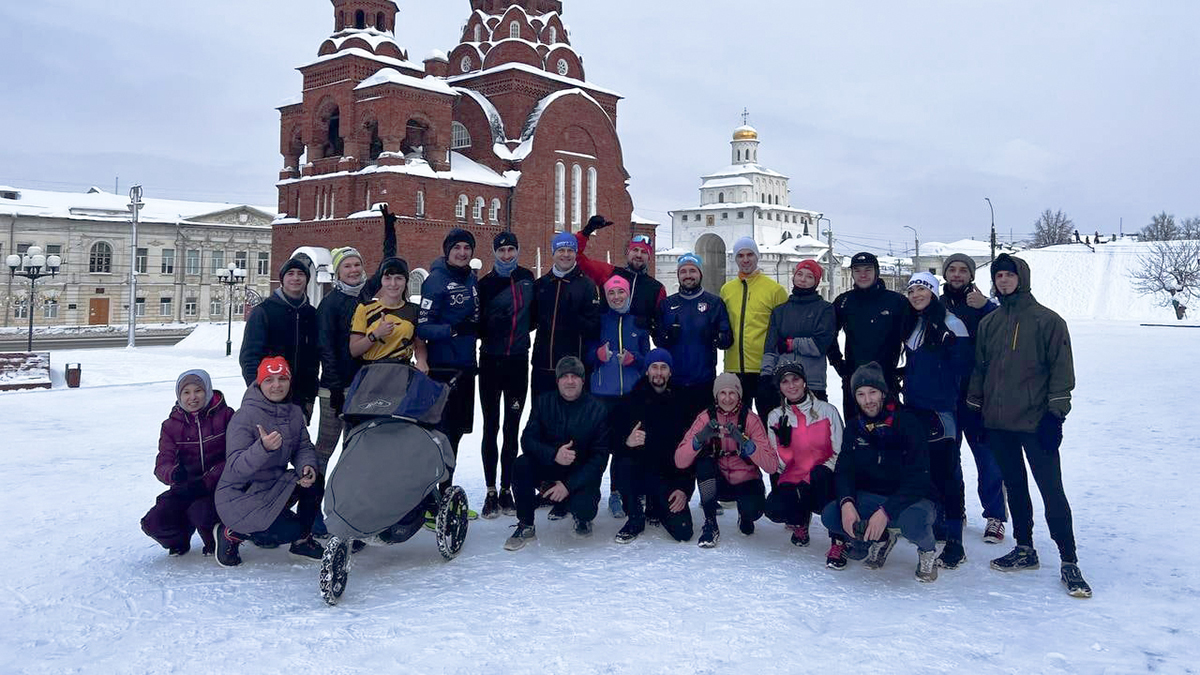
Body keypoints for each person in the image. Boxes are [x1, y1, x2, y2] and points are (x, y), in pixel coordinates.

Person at [968, 254, 1092, 598]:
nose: (1004, 281)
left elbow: (1062, 371)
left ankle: (1069, 559)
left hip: (1037, 423)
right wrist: (977, 410)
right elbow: (980, 370)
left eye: (1009, 275)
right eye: (999, 277)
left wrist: (1056, 414)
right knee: (1015, 487)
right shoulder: (990, 324)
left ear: (1022, 277)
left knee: (1051, 489)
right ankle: (1025, 548)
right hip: (998, 422)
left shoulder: (1048, 321)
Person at [820, 363, 939, 581]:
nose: (868, 400)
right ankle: (881, 538)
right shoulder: (855, 428)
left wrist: (886, 512)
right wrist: (847, 503)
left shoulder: (907, 423)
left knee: (914, 522)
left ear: (883, 393)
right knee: (832, 515)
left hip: (912, 500)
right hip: (872, 497)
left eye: (873, 392)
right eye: (861, 394)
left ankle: (927, 549)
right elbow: (844, 470)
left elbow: (919, 479)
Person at [214, 357, 324, 567]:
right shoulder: (244, 416)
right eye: (269, 380)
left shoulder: (293, 412)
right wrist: (262, 448)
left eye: (282, 379)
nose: (276, 385)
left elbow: (302, 446)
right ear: (259, 383)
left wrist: (306, 467)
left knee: (315, 480)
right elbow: (236, 467)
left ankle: (301, 542)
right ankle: (231, 532)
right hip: (241, 494)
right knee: (287, 531)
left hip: (273, 485)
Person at [901, 272, 972, 570]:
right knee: (923, 470)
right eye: (912, 290)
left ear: (933, 292)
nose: (916, 294)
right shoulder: (914, 323)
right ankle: (936, 523)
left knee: (948, 474)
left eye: (922, 289)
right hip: (915, 408)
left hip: (942, 411)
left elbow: (964, 368)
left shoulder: (951, 324)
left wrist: (946, 352)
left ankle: (955, 541)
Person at [505, 357, 611, 551]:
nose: (570, 381)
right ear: (557, 381)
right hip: (550, 469)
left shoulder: (597, 409)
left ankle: (578, 514)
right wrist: (553, 454)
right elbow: (527, 440)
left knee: (585, 508)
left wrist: (568, 485)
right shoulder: (544, 402)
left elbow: (600, 458)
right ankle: (526, 524)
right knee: (522, 465)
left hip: (580, 477)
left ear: (582, 380)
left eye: (575, 377)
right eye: (565, 377)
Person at [941, 253, 1007, 544]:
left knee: (988, 458)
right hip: (945, 395)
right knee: (948, 458)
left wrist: (987, 306)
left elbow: (1006, 328)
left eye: (962, 270)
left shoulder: (983, 305)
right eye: (952, 270)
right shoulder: (937, 304)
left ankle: (995, 516)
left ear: (971, 275)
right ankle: (956, 509)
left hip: (979, 395)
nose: (957, 275)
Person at [675, 373, 777, 548]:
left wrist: (747, 444)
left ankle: (744, 516)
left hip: (746, 479)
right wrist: (698, 439)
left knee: (753, 510)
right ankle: (710, 521)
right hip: (718, 481)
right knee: (703, 463)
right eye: (723, 393)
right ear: (716, 395)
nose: (727, 399)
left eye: (732, 393)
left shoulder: (750, 419)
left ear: (739, 395)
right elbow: (680, 460)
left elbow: (771, 465)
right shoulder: (706, 418)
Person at [140, 370, 235, 557]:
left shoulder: (226, 416)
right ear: (179, 395)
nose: (192, 397)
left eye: (198, 390)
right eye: (186, 392)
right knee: (154, 522)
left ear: (207, 390)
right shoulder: (171, 425)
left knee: (201, 512)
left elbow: (235, 455)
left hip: (219, 485)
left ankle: (218, 538)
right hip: (186, 486)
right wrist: (174, 473)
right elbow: (162, 463)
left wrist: (208, 479)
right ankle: (179, 539)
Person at [609, 349, 697, 543]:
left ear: (670, 372)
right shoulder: (631, 401)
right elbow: (611, 441)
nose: (659, 372)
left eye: (663, 367)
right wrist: (627, 441)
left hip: (668, 476)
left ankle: (655, 505)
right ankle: (635, 517)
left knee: (683, 531)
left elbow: (691, 451)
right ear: (647, 371)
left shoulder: (682, 402)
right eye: (654, 367)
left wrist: (683, 488)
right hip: (640, 474)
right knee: (623, 462)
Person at [477, 231, 535, 519]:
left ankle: (506, 489)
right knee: (490, 426)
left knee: (511, 427)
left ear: (518, 250)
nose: (507, 255)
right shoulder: (485, 284)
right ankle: (490, 491)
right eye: (501, 251)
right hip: (489, 361)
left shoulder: (527, 278)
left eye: (511, 249)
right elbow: (475, 322)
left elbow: (534, 316)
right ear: (494, 253)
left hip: (517, 362)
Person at [417, 228, 481, 486]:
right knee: (439, 434)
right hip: (443, 369)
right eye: (457, 248)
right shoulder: (435, 280)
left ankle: (446, 491)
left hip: (466, 366)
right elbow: (422, 327)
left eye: (467, 248)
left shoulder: (471, 278)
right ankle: (432, 495)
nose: (462, 253)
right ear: (447, 251)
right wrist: (452, 330)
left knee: (457, 433)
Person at [587, 275, 651, 518]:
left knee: (626, 448)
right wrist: (598, 355)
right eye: (611, 294)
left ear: (628, 294)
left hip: (631, 397)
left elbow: (649, 359)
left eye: (620, 293)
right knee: (602, 447)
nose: (616, 297)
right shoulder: (601, 321)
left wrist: (635, 360)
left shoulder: (638, 323)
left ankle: (618, 492)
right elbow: (587, 352)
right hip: (602, 395)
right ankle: (592, 495)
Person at [763, 363, 843, 549]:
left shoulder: (827, 411)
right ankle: (800, 521)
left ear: (804, 382)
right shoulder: (776, 417)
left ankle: (838, 540)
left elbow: (839, 451)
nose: (791, 386)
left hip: (824, 476)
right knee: (775, 508)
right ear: (780, 387)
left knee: (820, 479)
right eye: (785, 381)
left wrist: (816, 471)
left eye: (796, 379)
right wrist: (786, 447)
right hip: (796, 476)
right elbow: (779, 463)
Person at [828, 252, 909, 418]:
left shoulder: (896, 302)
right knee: (856, 432)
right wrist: (838, 363)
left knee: (890, 432)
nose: (862, 275)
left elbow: (914, 336)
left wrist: (906, 369)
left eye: (868, 269)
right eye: (857, 270)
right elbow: (829, 334)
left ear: (876, 271)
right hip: (853, 379)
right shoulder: (844, 302)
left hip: (887, 378)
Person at [239, 257, 319, 421]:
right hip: (269, 396)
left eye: (300, 274)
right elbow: (249, 357)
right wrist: (259, 392)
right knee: (270, 444)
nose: (295, 278)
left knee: (298, 444)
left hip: (300, 400)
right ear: (282, 279)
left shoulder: (311, 314)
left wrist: (309, 397)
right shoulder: (264, 311)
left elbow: (313, 360)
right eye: (290, 273)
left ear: (307, 279)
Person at [656, 252, 734, 420]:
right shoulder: (667, 304)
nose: (688, 275)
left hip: (704, 383)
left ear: (700, 274)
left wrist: (714, 336)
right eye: (683, 271)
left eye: (693, 271)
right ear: (678, 275)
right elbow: (658, 341)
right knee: (677, 435)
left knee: (703, 435)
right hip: (674, 383)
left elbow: (727, 339)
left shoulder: (714, 303)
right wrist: (667, 336)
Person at [719, 237, 789, 417]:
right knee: (738, 422)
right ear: (735, 259)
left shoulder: (774, 290)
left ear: (757, 257)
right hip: (734, 368)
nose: (745, 259)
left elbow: (783, 329)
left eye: (750, 254)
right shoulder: (727, 290)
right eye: (740, 255)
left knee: (770, 420)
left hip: (765, 370)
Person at [530, 232, 602, 398]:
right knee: (541, 417)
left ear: (576, 253)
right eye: (561, 250)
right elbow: (530, 322)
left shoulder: (586, 285)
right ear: (553, 253)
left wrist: (575, 319)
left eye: (570, 250)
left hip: (572, 370)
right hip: (543, 366)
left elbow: (594, 327)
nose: (566, 255)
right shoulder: (542, 284)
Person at [573, 215, 666, 333]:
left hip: (636, 348)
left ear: (650, 257)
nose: (638, 255)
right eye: (635, 250)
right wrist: (586, 232)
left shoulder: (657, 288)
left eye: (644, 252)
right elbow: (575, 258)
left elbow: (661, 323)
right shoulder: (609, 273)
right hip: (605, 343)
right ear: (628, 252)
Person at [761, 259, 837, 402]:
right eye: (800, 274)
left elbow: (820, 345)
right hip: (784, 383)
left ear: (816, 282)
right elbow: (770, 346)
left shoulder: (825, 309)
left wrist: (791, 344)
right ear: (793, 277)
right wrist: (766, 375)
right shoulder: (780, 311)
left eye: (809, 276)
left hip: (813, 383)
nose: (803, 279)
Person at [348, 257, 427, 369]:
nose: (393, 284)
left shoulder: (414, 310)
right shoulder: (364, 309)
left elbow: (420, 344)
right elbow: (354, 350)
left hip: (402, 371)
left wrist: (422, 361)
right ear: (381, 281)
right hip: (372, 373)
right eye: (387, 278)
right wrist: (376, 334)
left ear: (406, 281)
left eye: (399, 278)